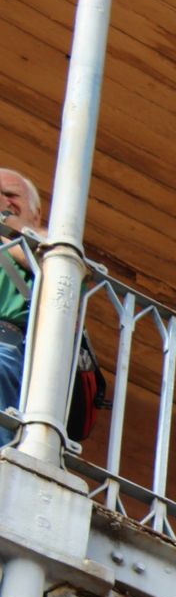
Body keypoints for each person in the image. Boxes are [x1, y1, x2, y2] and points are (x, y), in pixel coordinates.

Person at [1, 167, 44, 443]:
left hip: (7, 346)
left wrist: (6, 227)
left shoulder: (51, 246)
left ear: (36, 214)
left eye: (11, 194)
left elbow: (57, 268)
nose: (3, 201)